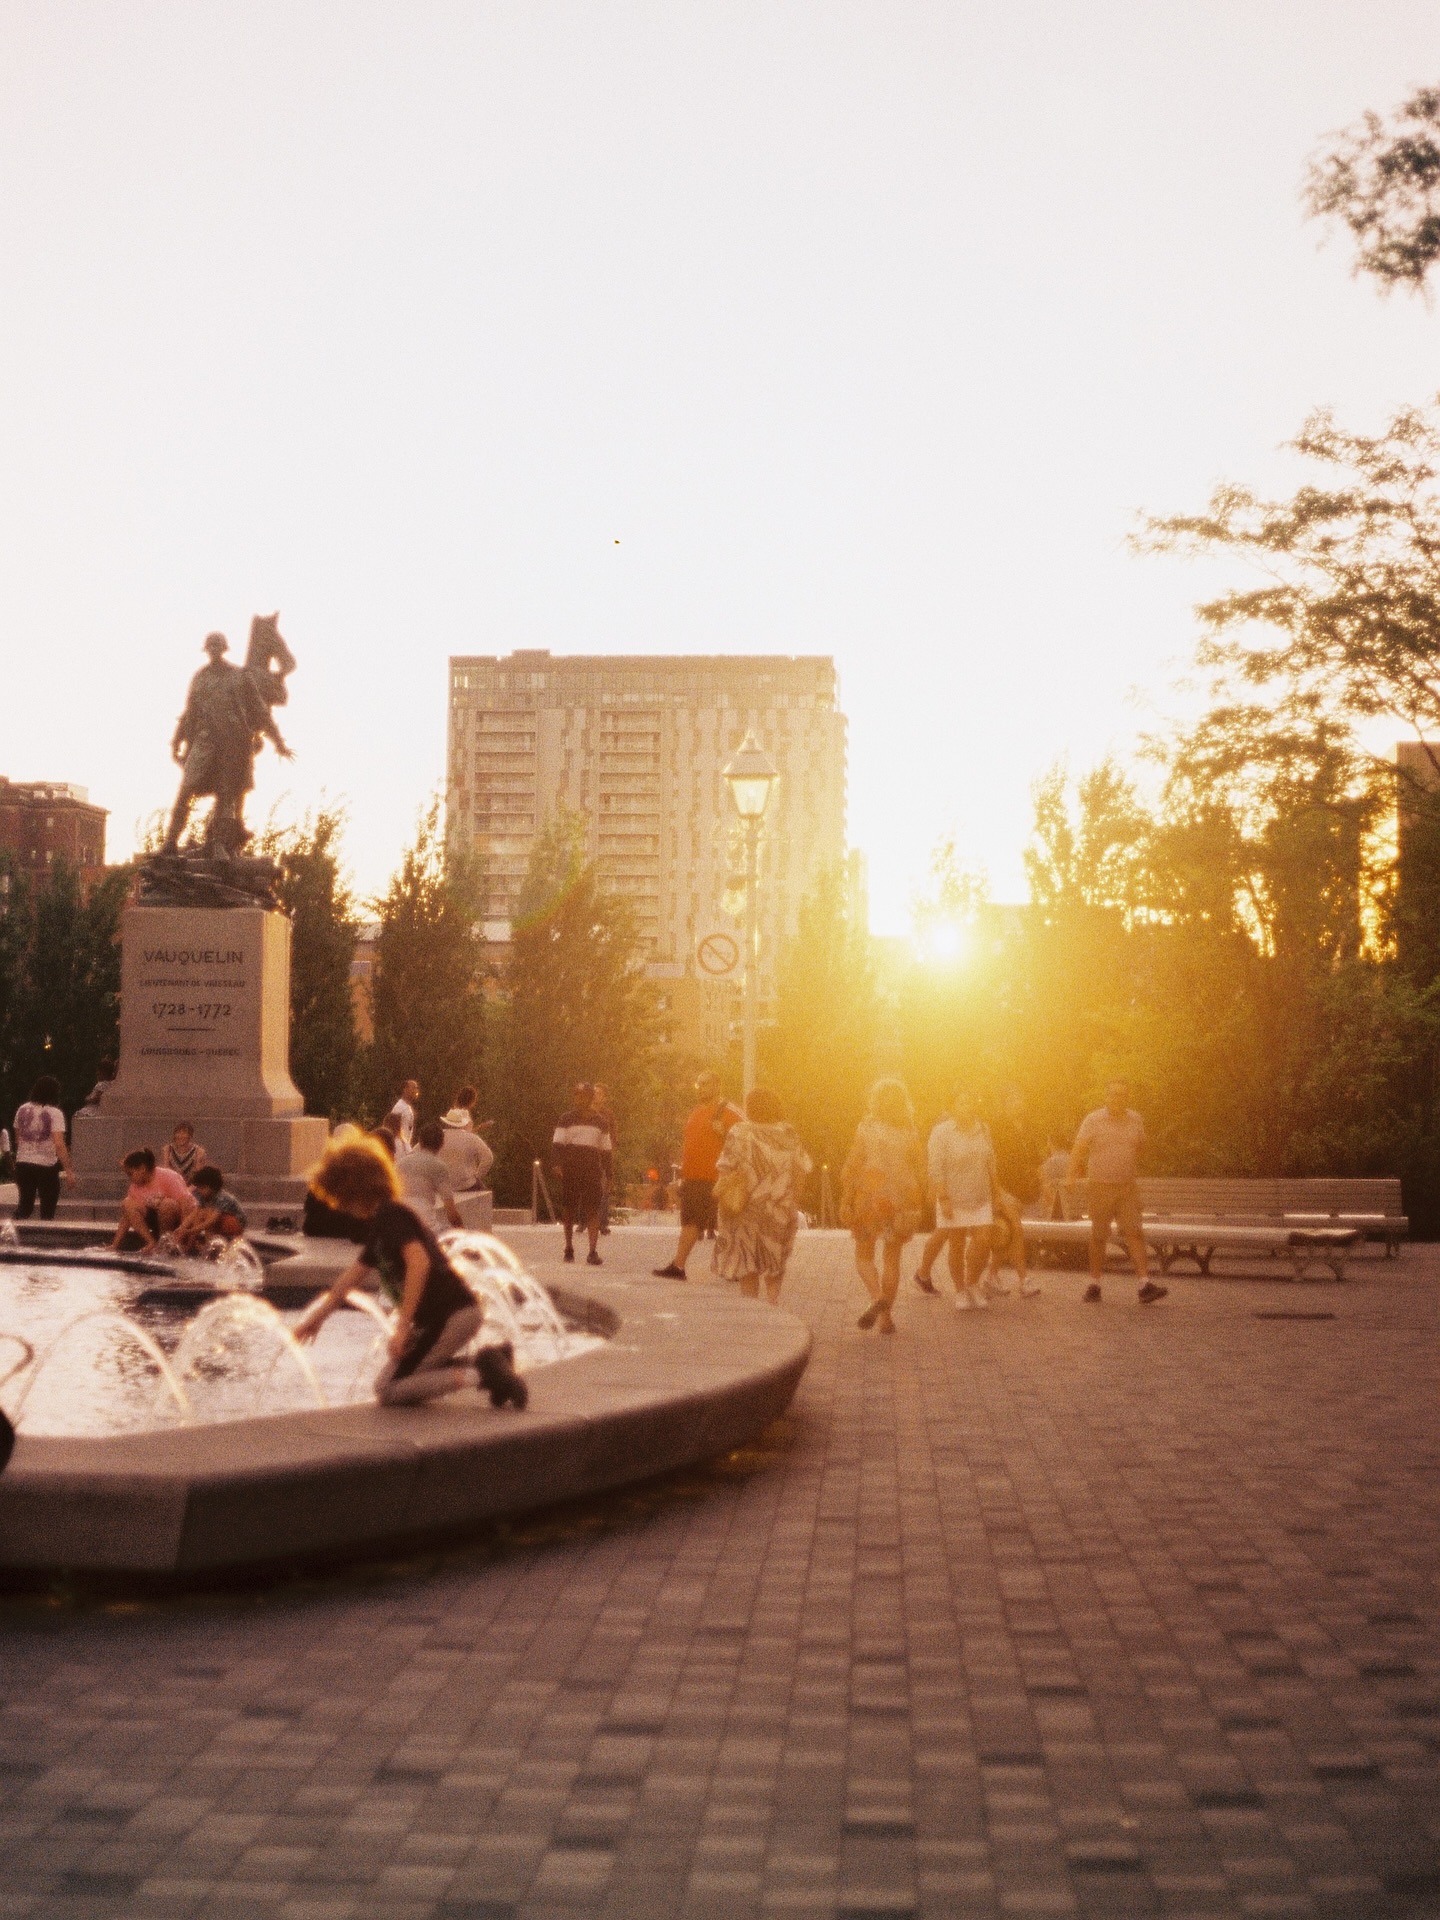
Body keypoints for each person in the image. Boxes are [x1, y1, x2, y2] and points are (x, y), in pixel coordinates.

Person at [294, 1136, 526, 1409]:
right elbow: (351, 1278)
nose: (338, 1206)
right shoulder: (380, 1225)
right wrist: (317, 1318)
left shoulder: (392, 1216)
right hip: (442, 1317)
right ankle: (492, 1360)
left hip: (451, 1316)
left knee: (390, 1389)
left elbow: (419, 1263)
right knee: (387, 1384)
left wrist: (403, 1327)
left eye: (339, 1197)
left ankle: (483, 1374)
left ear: (355, 1188)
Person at [1068, 1078, 1167, 1305]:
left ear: (1127, 1098)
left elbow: (1141, 1147)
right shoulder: (1093, 1120)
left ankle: (1144, 1284)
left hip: (1126, 1187)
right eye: (1113, 1094)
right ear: (1105, 1097)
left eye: (1122, 1095)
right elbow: (1078, 1149)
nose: (1117, 1099)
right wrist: (1071, 1176)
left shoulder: (1135, 1119)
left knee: (1134, 1232)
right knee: (1099, 1235)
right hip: (1100, 1186)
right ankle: (1094, 1284)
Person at [713, 1088, 812, 1303]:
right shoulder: (788, 1134)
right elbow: (801, 1170)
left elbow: (725, 1167)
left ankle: (753, 1309)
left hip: (746, 1209)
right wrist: (794, 1201)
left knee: (749, 1264)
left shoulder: (739, 1132)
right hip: (780, 1209)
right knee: (776, 1261)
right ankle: (772, 1301)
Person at [840, 1079, 924, 1334]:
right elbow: (920, 1165)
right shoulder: (910, 1130)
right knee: (892, 1259)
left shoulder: (866, 1127)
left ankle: (877, 1296)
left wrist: (846, 1197)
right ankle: (886, 1319)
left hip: (870, 1197)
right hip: (901, 1199)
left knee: (864, 1255)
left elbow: (853, 1165)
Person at [653, 1072, 743, 1279]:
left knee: (723, 1223)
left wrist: (725, 1134)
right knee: (691, 1221)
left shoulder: (729, 1111)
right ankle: (679, 1266)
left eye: (705, 1084)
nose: (701, 1088)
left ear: (717, 1086)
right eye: (698, 1084)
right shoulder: (696, 1113)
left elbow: (747, 1138)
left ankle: (737, 1267)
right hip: (694, 1178)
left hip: (717, 1177)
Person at [927, 1087, 1002, 1310]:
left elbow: (991, 1163)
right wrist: (943, 1198)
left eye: (970, 1102)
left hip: (980, 1196)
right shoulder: (941, 1132)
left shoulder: (983, 1129)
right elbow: (935, 1167)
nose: (967, 1107)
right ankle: (960, 1290)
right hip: (952, 1196)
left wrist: (997, 1193)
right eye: (961, 1103)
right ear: (952, 1107)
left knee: (984, 1240)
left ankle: (972, 1283)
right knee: (957, 1243)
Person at [552, 1083, 607, 1265]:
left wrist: (609, 1174)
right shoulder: (566, 1119)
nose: (578, 1099)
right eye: (576, 1095)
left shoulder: (601, 1122)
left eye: (583, 1096)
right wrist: (558, 1164)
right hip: (571, 1169)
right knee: (569, 1208)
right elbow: (558, 1144)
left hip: (592, 1169)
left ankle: (592, 1251)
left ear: (590, 1098)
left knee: (593, 1209)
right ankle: (568, 1247)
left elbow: (606, 1150)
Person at [13, 1076, 74, 1221]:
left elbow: (17, 1138)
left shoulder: (22, 1110)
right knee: (47, 1207)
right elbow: (59, 1144)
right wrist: (68, 1170)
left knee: (24, 1207)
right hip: (46, 1165)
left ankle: (10, 1234)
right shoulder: (55, 1113)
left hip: (23, 1162)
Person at [112, 1148, 194, 1252]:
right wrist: (114, 1245)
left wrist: (184, 1233)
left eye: (130, 1174)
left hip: (178, 1220)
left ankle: (165, 1242)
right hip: (154, 1220)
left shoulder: (168, 1176)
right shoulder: (134, 1187)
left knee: (167, 1204)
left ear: (142, 1168)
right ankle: (151, 1242)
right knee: (127, 1203)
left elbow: (186, 1205)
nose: (130, 1178)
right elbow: (126, 1217)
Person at [399, 1119, 464, 1228]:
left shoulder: (401, 1163)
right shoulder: (439, 1167)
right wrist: (463, 1233)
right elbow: (451, 1213)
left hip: (399, 1225)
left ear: (420, 1142)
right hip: (425, 1226)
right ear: (442, 1143)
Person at [174, 1166, 247, 1251]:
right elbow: (194, 1214)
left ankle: (209, 1246)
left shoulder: (221, 1197)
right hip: (219, 1221)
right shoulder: (204, 1196)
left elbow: (211, 1221)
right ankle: (189, 1246)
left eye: (202, 1188)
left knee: (207, 1214)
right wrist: (182, 1228)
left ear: (212, 1186)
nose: (200, 1191)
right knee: (201, 1214)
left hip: (235, 1223)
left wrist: (190, 1231)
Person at [439, 1086, 494, 1194]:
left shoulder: (452, 1112)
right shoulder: (464, 1114)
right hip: (463, 1177)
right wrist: (476, 1176)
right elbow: (466, 1137)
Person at [593, 1084, 617, 1235]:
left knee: (603, 1189)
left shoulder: (608, 1115)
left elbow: (613, 1133)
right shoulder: (585, 1112)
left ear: (604, 1097)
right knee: (586, 1189)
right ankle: (584, 1221)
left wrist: (611, 1149)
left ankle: (602, 1223)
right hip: (588, 1155)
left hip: (603, 1156)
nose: (596, 1095)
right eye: (594, 1093)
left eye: (599, 1093)